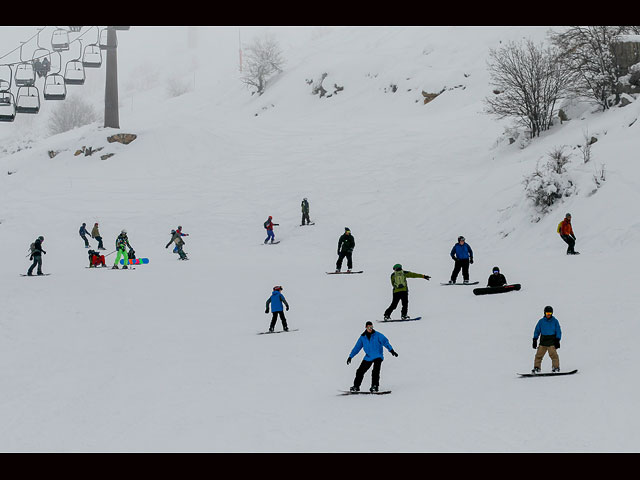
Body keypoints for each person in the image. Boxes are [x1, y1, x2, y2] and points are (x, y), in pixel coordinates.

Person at [347, 321, 398, 392]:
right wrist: (350, 356)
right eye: (369, 327)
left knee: (375, 371)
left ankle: (375, 386)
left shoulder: (378, 335)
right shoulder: (362, 337)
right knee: (360, 371)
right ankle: (356, 386)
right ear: (366, 327)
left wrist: (391, 350)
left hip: (378, 356)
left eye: (371, 327)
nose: (370, 329)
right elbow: (357, 347)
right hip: (368, 357)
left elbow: (385, 342)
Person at [532, 305, 562, 373]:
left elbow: (558, 331)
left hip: (551, 341)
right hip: (543, 341)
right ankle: (537, 368)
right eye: (547, 313)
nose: (548, 315)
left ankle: (556, 367)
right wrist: (535, 339)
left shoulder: (555, 321)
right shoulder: (541, 321)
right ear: (544, 313)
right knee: (538, 355)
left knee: (554, 355)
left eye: (550, 314)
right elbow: (537, 330)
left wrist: (557, 340)